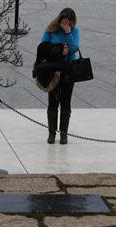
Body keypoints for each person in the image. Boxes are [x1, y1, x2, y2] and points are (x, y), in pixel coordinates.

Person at [41, 8, 79, 144]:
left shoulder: (74, 31)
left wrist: (68, 33)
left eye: (68, 23)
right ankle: (52, 133)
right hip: (53, 71)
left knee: (66, 101)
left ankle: (64, 134)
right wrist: (59, 51)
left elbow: (74, 48)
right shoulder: (51, 30)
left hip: (69, 70)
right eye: (63, 22)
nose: (65, 25)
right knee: (53, 101)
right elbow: (43, 48)